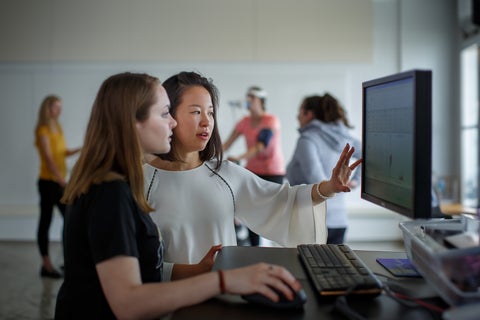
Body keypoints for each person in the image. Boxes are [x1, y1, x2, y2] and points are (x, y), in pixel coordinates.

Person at [54, 72, 303, 319]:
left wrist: (196, 270)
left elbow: (141, 270)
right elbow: (128, 303)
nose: (172, 122)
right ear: (132, 122)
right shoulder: (110, 192)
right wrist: (225, 280)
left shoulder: (114, 183)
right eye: (164, 113)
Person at [145, 71, 361, 280]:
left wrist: (329, 187)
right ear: (169, 115)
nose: (206, 122)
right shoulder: (142, 180)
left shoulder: (226, 174)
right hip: (166, 304)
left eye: (210, 112)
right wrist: (191, 272)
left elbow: (285, 199)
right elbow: (136, 266)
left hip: (219, 297)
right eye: (195, 112)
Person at [286, 94, 362, 244]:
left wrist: (353, 181)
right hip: (338, 220)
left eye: (300, 111)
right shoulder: (344, 138)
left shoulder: (307, 140)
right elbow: (370, 154)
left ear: (309, 114)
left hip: (312, 222)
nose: (297, 116)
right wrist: (355, 181)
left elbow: (317, 180)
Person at [222, 86, 285, 245]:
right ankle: (254, 246)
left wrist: (240, 157)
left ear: (261, 101)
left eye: (252, 98)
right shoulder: (244, 122)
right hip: (253, 170)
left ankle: (269, 244)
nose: (248, 101)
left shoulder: (270, 120)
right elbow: (227, 144)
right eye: (247, 97)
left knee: (268, 212)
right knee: (250, 210)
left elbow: (261, 145)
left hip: (273, 171)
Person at [34, 95, 80, 278]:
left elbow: (61, 154)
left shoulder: (57, 128)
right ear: (48, 109)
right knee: (46, 222)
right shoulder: (43, 130)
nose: (59, 110)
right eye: (56, 107)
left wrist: (81, 149)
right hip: (48, 183)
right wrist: (61, 180)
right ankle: (46, 265)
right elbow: (48, 158)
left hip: (58, 182)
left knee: (69, 220)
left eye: (60, 107)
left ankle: (68, 262)